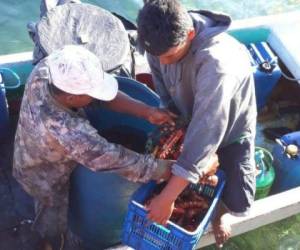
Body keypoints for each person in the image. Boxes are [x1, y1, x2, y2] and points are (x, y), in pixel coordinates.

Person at [13, 45, 176, 250]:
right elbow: (116, 159)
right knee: (50, 214)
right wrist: (167, 169)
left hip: (28, 144)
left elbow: (103, 99)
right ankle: (50, 242)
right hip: (42, 173)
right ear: (71, 98)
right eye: (91, 93)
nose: (97, 96)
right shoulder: (69, 131)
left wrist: (146, 111)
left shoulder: (48, 70)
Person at [137, 0, 257, 247]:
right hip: (191, 113)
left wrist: (167, 198)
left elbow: (207, 130)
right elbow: (163, 84)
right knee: (188, 164)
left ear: (190, 34)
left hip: (231, 128)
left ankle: (221, 212)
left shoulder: (217, 64)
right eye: (158, 56)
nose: (164, 62)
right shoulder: (159, 41)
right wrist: (172, 115)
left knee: (238, 198)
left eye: (169, 55)